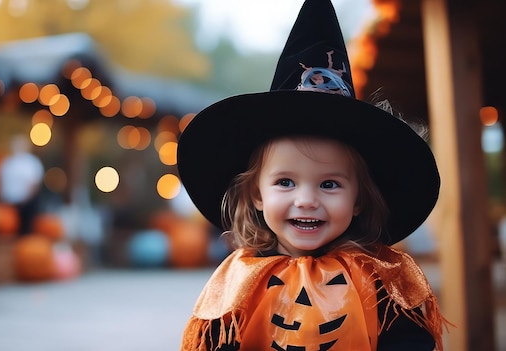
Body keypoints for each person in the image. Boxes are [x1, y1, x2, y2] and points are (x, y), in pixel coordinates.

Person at [176, 1, 449, 350]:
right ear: (257, 194)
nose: (306, 199)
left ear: (358, 201)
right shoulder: (238, 282)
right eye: (285, 182)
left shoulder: (380, 283)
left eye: (330, 184)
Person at [0, 135, 44, 235]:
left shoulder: (31, 162)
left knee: (26, 229)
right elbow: (1, 182)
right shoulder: (7, 163)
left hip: (26, 203)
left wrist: (27, 199)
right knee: (7, 228)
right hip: (9, 202)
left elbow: (34, 183)